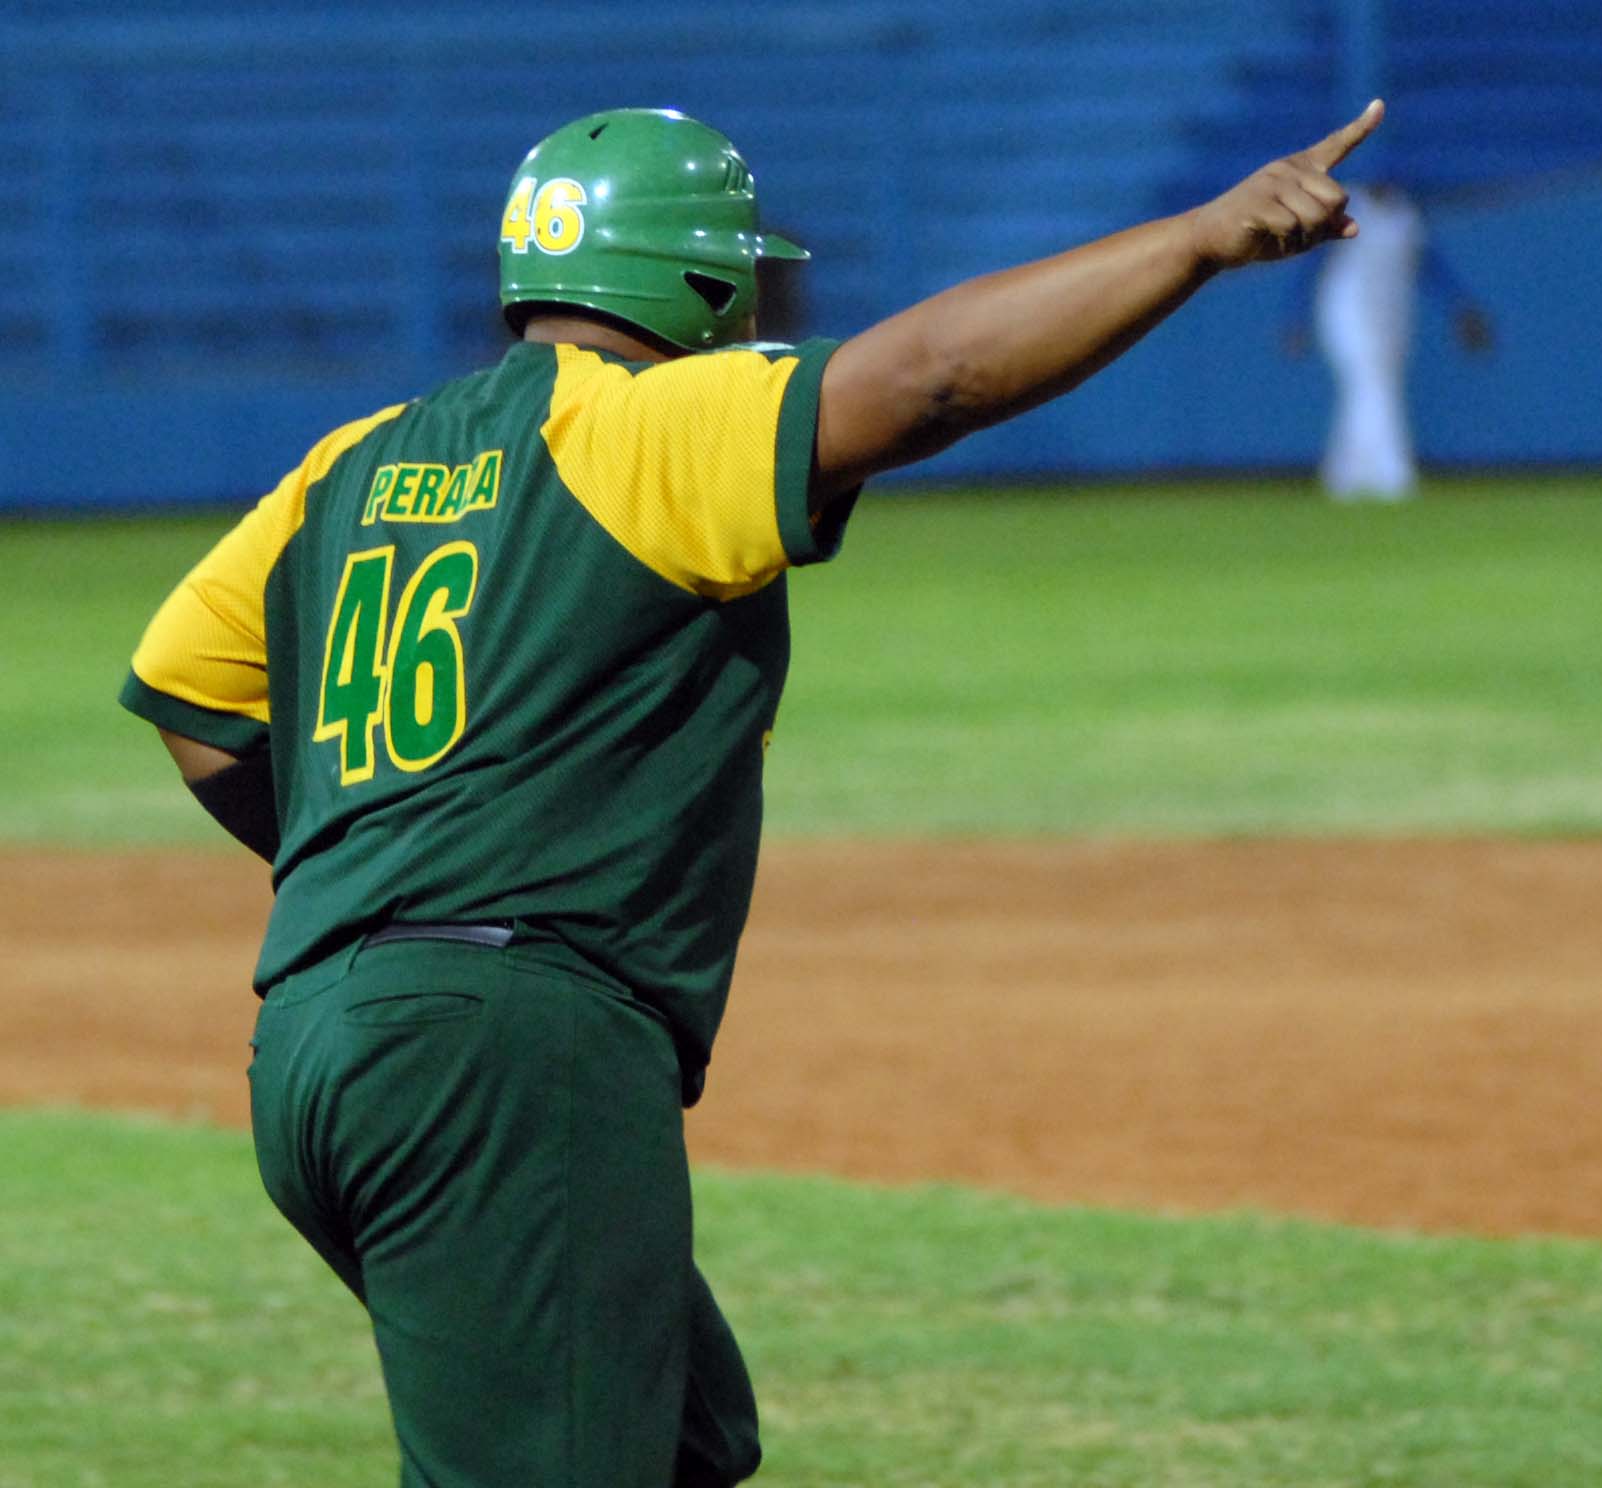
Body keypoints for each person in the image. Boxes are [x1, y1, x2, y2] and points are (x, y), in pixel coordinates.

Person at [119, 99, 1384, 1487]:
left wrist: (376, 881)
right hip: (503, 1053)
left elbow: (188, 695)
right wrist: (1199, 239)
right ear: (700, 280)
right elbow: (935, 376)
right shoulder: (638, 428)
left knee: (686, 1445)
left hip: (315, 1047)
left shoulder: (350, 465)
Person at [1287, 180, 1491, 500]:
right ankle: (1392, 474)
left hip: (1391, 313)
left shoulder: (1404, 214)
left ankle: (1344, 474)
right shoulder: (1344, 210)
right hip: (1345, 310)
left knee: (1370, 387)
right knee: (1371, 382)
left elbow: (1431, 268)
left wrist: (1460, 306)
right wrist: (1296, 317)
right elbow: (1311, 268)